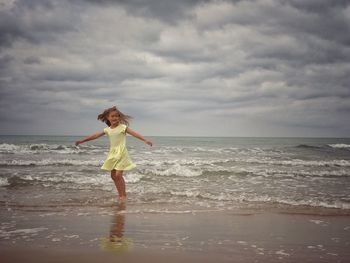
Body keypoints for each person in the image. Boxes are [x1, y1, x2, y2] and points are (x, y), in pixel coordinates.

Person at [75, 106, 152, 202]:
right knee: (113, 176)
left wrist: (145, 140)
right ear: (108, 117)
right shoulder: (107, 130)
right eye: (112, 116)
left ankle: (123, 195)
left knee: (118, 175)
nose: (115, 118)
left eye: (117, 116)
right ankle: (120, 195)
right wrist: (82, 141)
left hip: (122, 153)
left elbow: (134, 133)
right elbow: (94, 136)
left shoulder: (123, 127)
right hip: (113, 153)